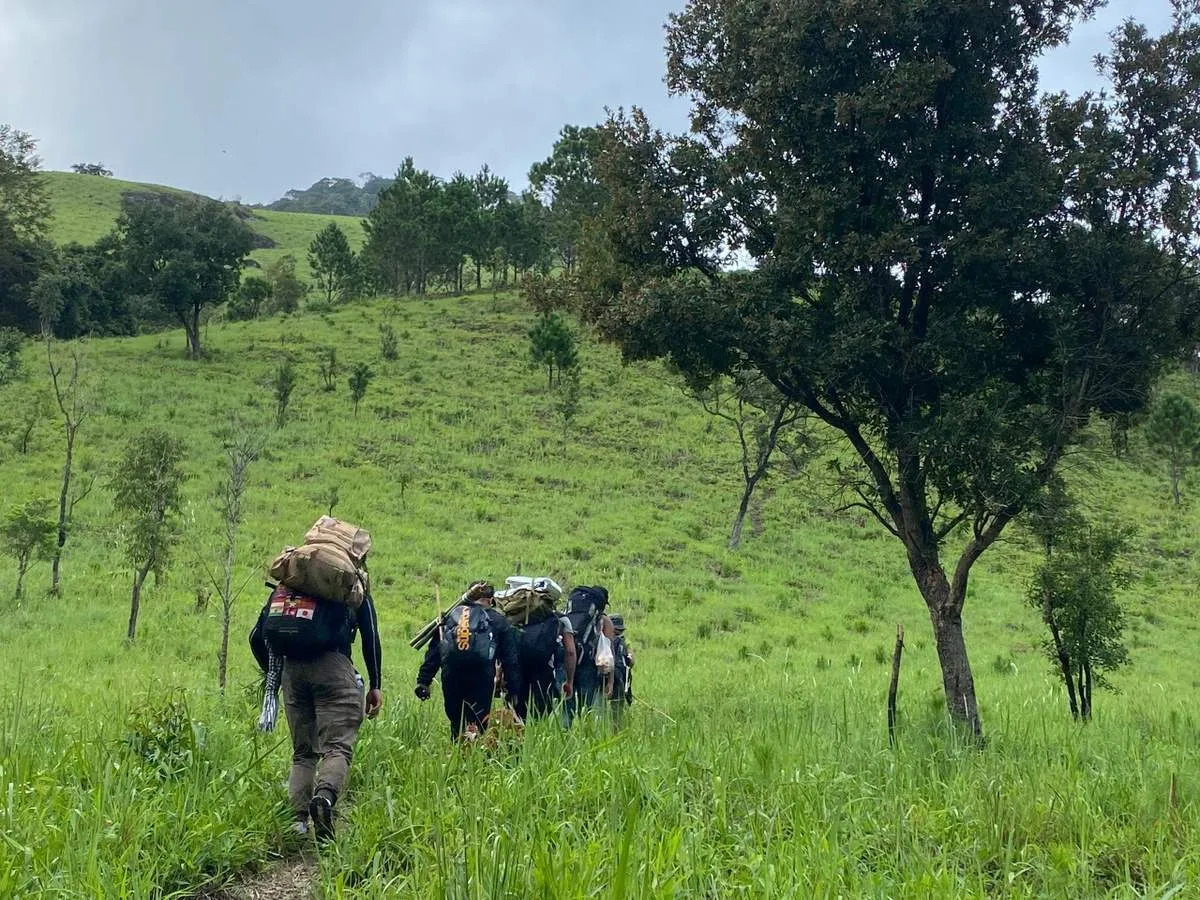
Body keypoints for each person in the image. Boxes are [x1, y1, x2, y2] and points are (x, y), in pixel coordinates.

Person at [249, 586, 382, 841]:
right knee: (337, 748)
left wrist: (276, 672)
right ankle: (324, 798)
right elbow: (370, 636)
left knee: (302, 753)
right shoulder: (350, 585)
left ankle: (297, 823)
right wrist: (375, 684)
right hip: (334, 668)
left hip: (293, 672)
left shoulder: (287, 584)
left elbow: (256, 636)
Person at [415, 581, 523, 741]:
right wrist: (513, 690)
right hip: (482, 677)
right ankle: (477, 757)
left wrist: (423, 681)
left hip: (451, 675)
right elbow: (510, 660)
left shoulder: (451, 617)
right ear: (490, 600)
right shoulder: (497, 620)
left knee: (456, 722)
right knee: (479, 723)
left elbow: (435, 652)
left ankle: (456, 754)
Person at [564, 585, 614, 725]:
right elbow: (609, 655)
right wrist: (610, 681)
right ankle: (584, 734)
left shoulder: (568, 615)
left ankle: (565, 733)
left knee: (568, 704)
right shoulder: (605, 621)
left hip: (569, 663)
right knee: (586, 708)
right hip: (588, 667)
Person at [514, 610, 577, 721]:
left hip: (517, 672)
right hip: (544, 672)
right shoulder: (561, 619)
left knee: (517, 716)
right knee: (541, 715)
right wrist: (569, 681)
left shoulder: (516, 615)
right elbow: (570, 651)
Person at [609, 614, 635, 722]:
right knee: (617, 706)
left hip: (604, 676)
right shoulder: (625, 642)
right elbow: (632, 662)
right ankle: (616, 726)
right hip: (620, 677)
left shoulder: (602, 638)